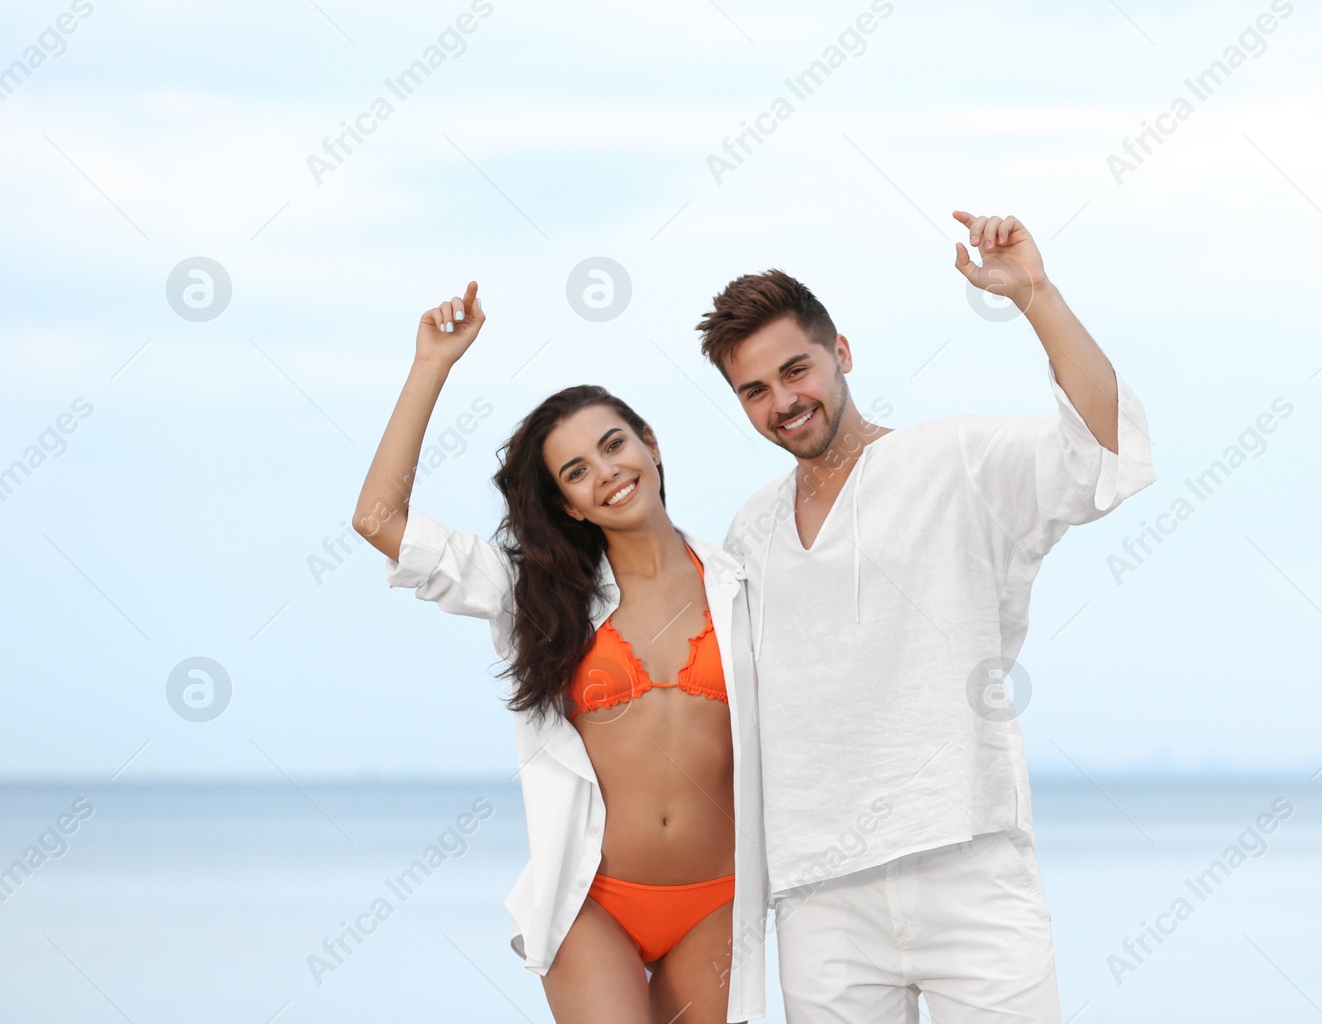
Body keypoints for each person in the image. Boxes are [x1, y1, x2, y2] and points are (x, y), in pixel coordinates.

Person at [696, 211, 1157, 1022]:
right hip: (818, 890)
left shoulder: (955, 460)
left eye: (796, 370)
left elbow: (1105, 454)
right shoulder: (750, 530)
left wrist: (1035, 294)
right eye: (755, 390)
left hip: (968, 859)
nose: (784, 402)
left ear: (840, 354)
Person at [353, 281, 767, 1024]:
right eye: (576, 471)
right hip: (590, 903)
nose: (606, 471)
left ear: (651, 445)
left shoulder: (745, 581)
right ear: (569, 504)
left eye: (614, 444)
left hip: (718, 900)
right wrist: (432, 365)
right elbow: (380, 519)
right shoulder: (535, 595)